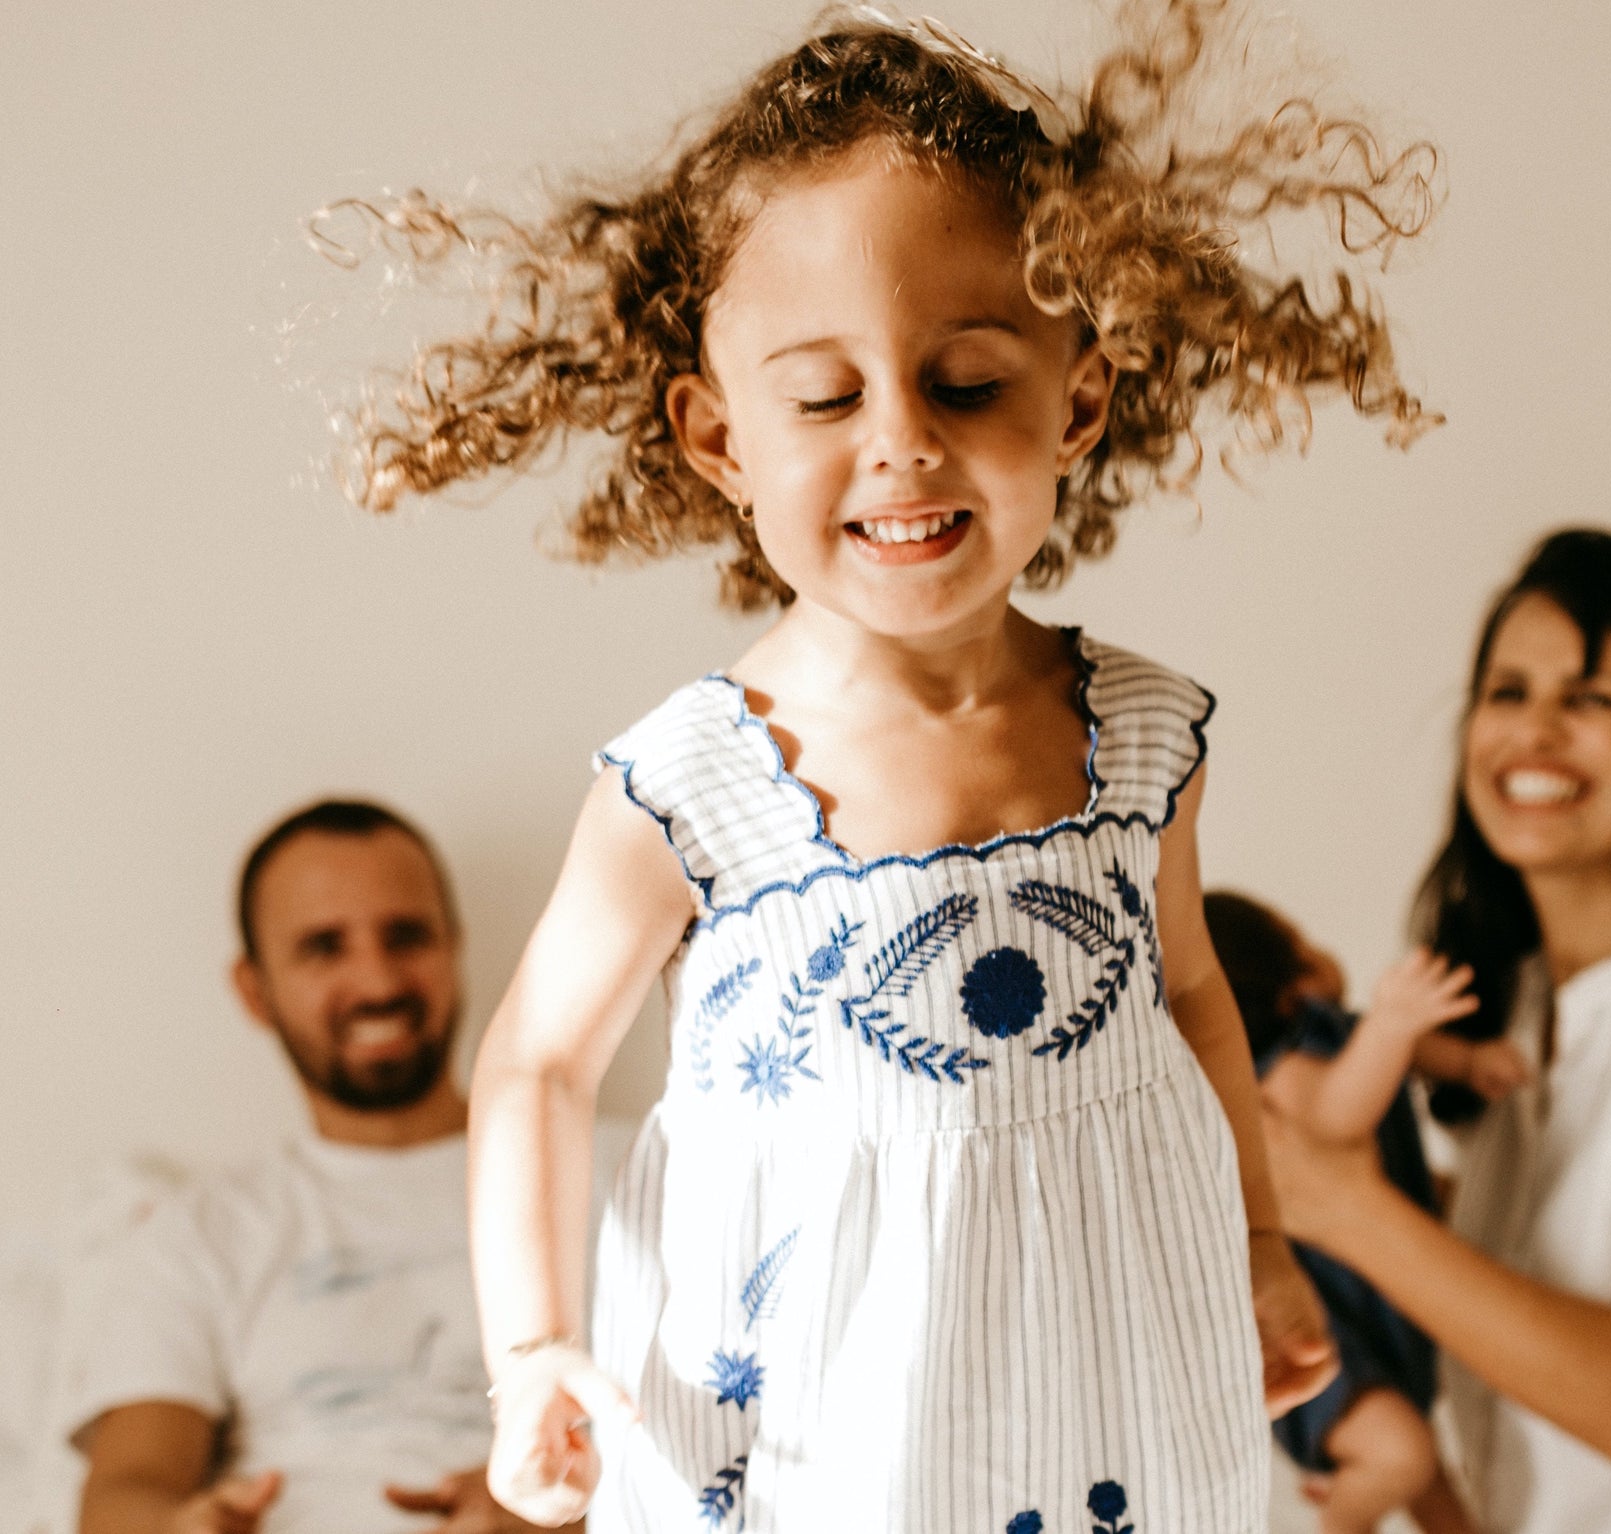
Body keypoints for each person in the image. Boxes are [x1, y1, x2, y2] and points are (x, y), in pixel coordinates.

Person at [334, 9, 1442, 1528]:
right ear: (721, 439)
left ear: (1083, 400)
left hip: (1111, 1377)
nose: (903, 442)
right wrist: (534, 1351)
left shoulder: (1140, 736)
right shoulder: (695, 783)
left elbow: (1190, 993)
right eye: (826, 396)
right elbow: (535, 1061)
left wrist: (1255, 1235)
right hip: (814, 1431)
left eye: (968, 381)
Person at [1264, 528, 1611, 1532]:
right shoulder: (1518, 1015)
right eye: (1508, 692)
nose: (1535, 731)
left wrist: (1344, 1207)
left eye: (1591, 698)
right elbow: (1542, 1424)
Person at [55, 800, 535, 1534]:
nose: (377, 981)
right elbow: (126, 1491)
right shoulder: (199, 1233)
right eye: (324, 947)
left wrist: (563, 1515)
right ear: (255, 990)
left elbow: (738, 1436)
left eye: (407, 936)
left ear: (454, 947)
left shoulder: (631, 1171)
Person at [1206, 889, 1519, 1534]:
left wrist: (1463, 1061)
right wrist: (1393, 1020)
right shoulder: (1285, 1073)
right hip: (1327, 1326)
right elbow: (1339, 1110)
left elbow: (1407, 1056)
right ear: (1286, 977)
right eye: (1299, 937)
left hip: (1375, 1312)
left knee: (1428, 1473)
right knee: (1402, 1451)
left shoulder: (1340, 1033)